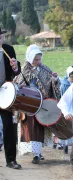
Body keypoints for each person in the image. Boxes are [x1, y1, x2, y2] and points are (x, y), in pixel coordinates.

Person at [14, 44, 61, 164]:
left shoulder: (45, 69)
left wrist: (55, 80)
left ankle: (38, 153)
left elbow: (51, 84)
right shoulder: (23, 69)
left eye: (39, 59)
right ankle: (32, 151)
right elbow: (17, 84)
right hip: (28, 105)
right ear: (30, 58)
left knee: (39, 129)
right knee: (28, 128)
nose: (37, 61)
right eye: (35, 59)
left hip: (41, 104)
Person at [0, 27, 22, 169]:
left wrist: (15, 67)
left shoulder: (8, 49)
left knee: (8, 126)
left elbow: (17, 71)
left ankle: (11, 160)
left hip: (5, 92)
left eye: (0, 37)